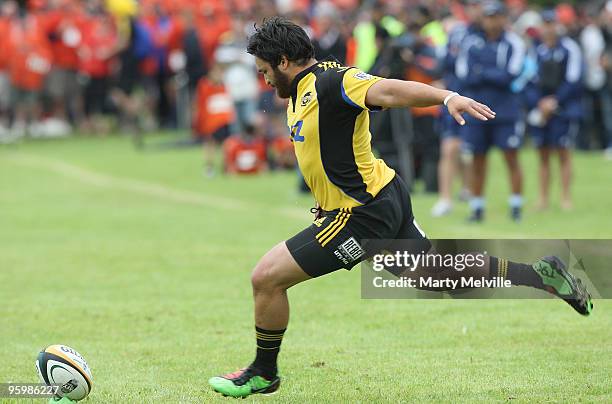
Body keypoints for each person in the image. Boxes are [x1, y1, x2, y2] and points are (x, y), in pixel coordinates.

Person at [208, 17, 593, 399]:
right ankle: (542, 274)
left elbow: (388, 90)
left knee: (267, 278)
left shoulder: (331, 81)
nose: (265, 80)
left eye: (266, 71)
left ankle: (263, 372)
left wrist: (445, 97)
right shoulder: (300, 93)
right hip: (377, 197)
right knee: (440, 276)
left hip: (361, 215)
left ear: (286, 61)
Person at [455, 0, 525, 222]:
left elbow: (509, 76)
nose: (492, 21)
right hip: (476, 109)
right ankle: (477, 208)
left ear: (504, 18)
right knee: (477, 158)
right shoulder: (472, 42)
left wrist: (482, 73)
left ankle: (515, 206)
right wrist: (493, 74)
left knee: (511, 157)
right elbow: (464, 74)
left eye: (496, 16)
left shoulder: (513, 42)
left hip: (504, 111)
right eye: (488, 16)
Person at [525, 10, 583, 211]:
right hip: (541, 109)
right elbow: (529, 78)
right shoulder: (535, 49)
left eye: (552, 23)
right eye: (545, 23)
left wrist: (554, 101)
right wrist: (539, 103)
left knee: (563, 153)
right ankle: (542, 198)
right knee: (542, 154)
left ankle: (565, 197)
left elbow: (573, 80)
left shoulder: (569, 48)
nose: (548, 28)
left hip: (563, 109)